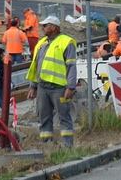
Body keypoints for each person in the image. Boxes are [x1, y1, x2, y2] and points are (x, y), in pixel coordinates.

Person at [26, 15, 78, 148]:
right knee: (44, 117)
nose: (42, 28)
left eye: (45, 25)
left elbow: (71, 66)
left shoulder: (66, 42)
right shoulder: (42, 43)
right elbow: (36, 65)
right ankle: (47, 146)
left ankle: (68, 146)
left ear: (53, 27)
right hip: (43, 87)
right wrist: (33, 86)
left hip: (59, 88)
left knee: (64, 116)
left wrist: (70, 87)